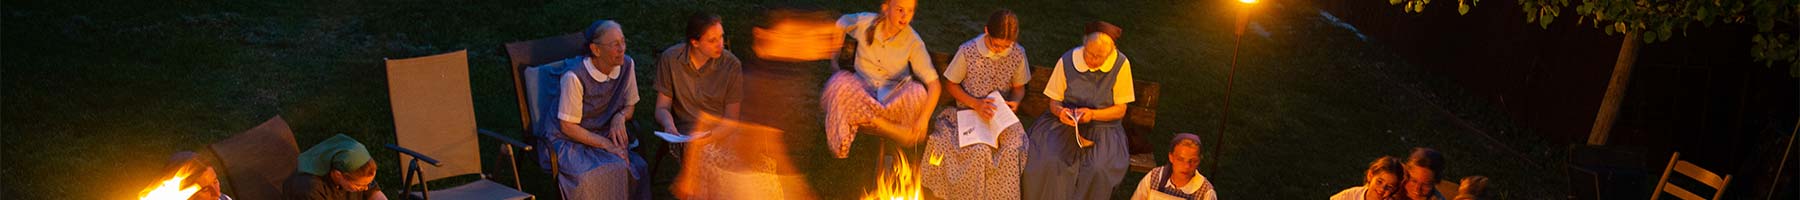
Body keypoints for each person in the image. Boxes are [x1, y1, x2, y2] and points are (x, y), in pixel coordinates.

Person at [919, 9, 1029, 200]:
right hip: (967, 113)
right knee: (978, 152)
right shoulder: (969, 51)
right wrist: (976, 104)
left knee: (1012, 150)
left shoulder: (1017, 54)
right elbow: (950, 84)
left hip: (997, 118)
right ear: (987, 31)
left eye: (1006, 46)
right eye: (996, 45)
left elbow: (1019, 88)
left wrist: (1015, 102)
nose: (1000, 50)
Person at [1021, 21, 1135, 200]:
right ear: (1084, 44)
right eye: (1089, 53)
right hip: (1064, 124)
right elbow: (1054, 101)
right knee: (1050, 161)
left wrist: (1093, 114)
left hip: (1103, 128)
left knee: (1097, 168)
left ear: (1110, 53)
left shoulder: (1121, 64)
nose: (1093, 59)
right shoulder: (1067, 60)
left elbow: (1120, 110)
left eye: (1099, 56)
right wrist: (1060, 112)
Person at [820, 0, 943, 158]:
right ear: (886, 9)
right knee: (839, 82)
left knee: (918, 91)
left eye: (910, 11)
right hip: (862, 94)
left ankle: (873, 120)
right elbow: (841, 22)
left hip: (890, 104)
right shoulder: (866, 22)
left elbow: (934, 84)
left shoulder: (913, 42)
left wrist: (924, 119)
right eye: (900, 10)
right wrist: (835, 51)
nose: (905, 16)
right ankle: (890, 130)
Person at [546, 19, 650, 200]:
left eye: (623, 42)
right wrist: (607, 145)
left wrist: (620, 116)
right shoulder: (574, 76)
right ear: (595, 49)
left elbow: (630, 106)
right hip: (570, 140)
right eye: (615, 44)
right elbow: (567, 127)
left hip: (603, 130)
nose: (622, 49)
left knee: (637, 167)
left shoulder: (627, 65)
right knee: (603, 173)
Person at [655, 12, 743, 139]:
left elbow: (731, 120)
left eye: (721, 37)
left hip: (718, 133)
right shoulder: (671, 59)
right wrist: (668, 124)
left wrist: (708, 137)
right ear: (695, 43)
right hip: (683, 132)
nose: (720, 44)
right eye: (712, 40)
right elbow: (662, 107)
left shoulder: (731, 65)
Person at [283, 134, 386, 200]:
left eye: (368, 183)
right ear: (338, 174)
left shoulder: (358, 172)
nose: (366, 187)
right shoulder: (309, 190)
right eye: (359, 186)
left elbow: (373, 192)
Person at [1128, 133, 1218, 200]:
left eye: (1193, 161)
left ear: (1199, 161)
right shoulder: (1154, 177)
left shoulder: (1205, 193)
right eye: (1180, 159)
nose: (1186, 166)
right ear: (1171, 157)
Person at [1331, 156, 1406, 200]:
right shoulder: (1351, 195)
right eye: (1379, 182)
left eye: (1389, 187)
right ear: (1370, 175)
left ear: (1395, 189)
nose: (1382, 189)